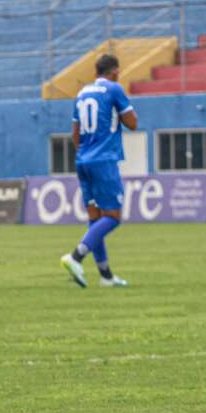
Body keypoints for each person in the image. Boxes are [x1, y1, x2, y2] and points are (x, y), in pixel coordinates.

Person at [61, 54, 138, 288]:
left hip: (82, 159)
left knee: (96, 219)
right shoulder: (114, 89)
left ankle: (105, 276)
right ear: (114, 71)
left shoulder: (82, 93)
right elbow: (133, 123)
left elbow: (75, 133)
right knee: (113, 217)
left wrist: (86, 152)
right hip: (104, 160)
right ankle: (76, 257)